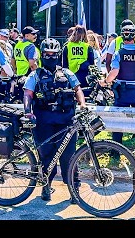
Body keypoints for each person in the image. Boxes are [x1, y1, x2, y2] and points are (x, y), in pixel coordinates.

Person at [22, 38, 87, 203]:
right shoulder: (35, 75)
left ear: (58, 55)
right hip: (43, 121)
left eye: (54, 54)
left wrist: (83, 104)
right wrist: (28, 111)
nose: (51, 57)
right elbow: (28, 94)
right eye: (47, 54)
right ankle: (46, 186)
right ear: (42, 55)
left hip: (66, 121)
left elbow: (77, 89)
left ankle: (74, 190)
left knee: (69, 157)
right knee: (46, 156)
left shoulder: (67, 73)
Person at [99, 24, 135, 150]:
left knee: (117, 121)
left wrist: (105, 81)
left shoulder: (119, 54)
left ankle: (116, 151)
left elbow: (114, 72)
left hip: (122, 92)